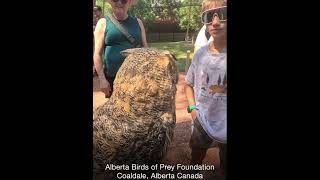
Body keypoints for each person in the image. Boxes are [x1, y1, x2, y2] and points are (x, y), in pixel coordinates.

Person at [185, 0, 227, 177]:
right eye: (209, 16)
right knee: (196, 157)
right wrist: (194, 111)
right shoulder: (200, 54)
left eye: (223, 14)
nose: (215, 22)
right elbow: (188, 84)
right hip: (202, 120)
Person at [94, 0, 148, 98]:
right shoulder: (103, 22)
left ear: (129, 3)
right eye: (115, 0)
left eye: (123, 1)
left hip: (136, 77)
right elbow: (97, 54)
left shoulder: (138, 22)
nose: (119, 3)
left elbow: (146, 49)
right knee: (115, 111)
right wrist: (102, 79)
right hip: (113, 78)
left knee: (136, 110)